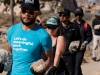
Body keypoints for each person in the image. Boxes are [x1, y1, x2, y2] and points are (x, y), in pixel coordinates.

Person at [6, 0, 52, 75]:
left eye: (31, 12)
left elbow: (49, 59)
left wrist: (42, 71)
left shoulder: (44, 35)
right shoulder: (11, 30)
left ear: (37, 13)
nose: (27, 14)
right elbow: (9, 52)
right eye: (24, 11)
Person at [58, 8, 80, 75]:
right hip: (58, 56)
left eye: (64, 15)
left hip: (70, 56)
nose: (62, 17)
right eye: (60, 15)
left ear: (68, 16)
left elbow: (78, 39)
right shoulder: (56, 27)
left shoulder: (74, 27)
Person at [73, 7, 92, 75]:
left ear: (82, 15)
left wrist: (85, 42)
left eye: (79, 14)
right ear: (75, 15)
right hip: (72, 48)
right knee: (74, 64)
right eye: (76, 14)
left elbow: (90, 36)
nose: (78, 16)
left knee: (77, 64)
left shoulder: (86, 25)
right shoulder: (71, 24)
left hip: (81, 48)